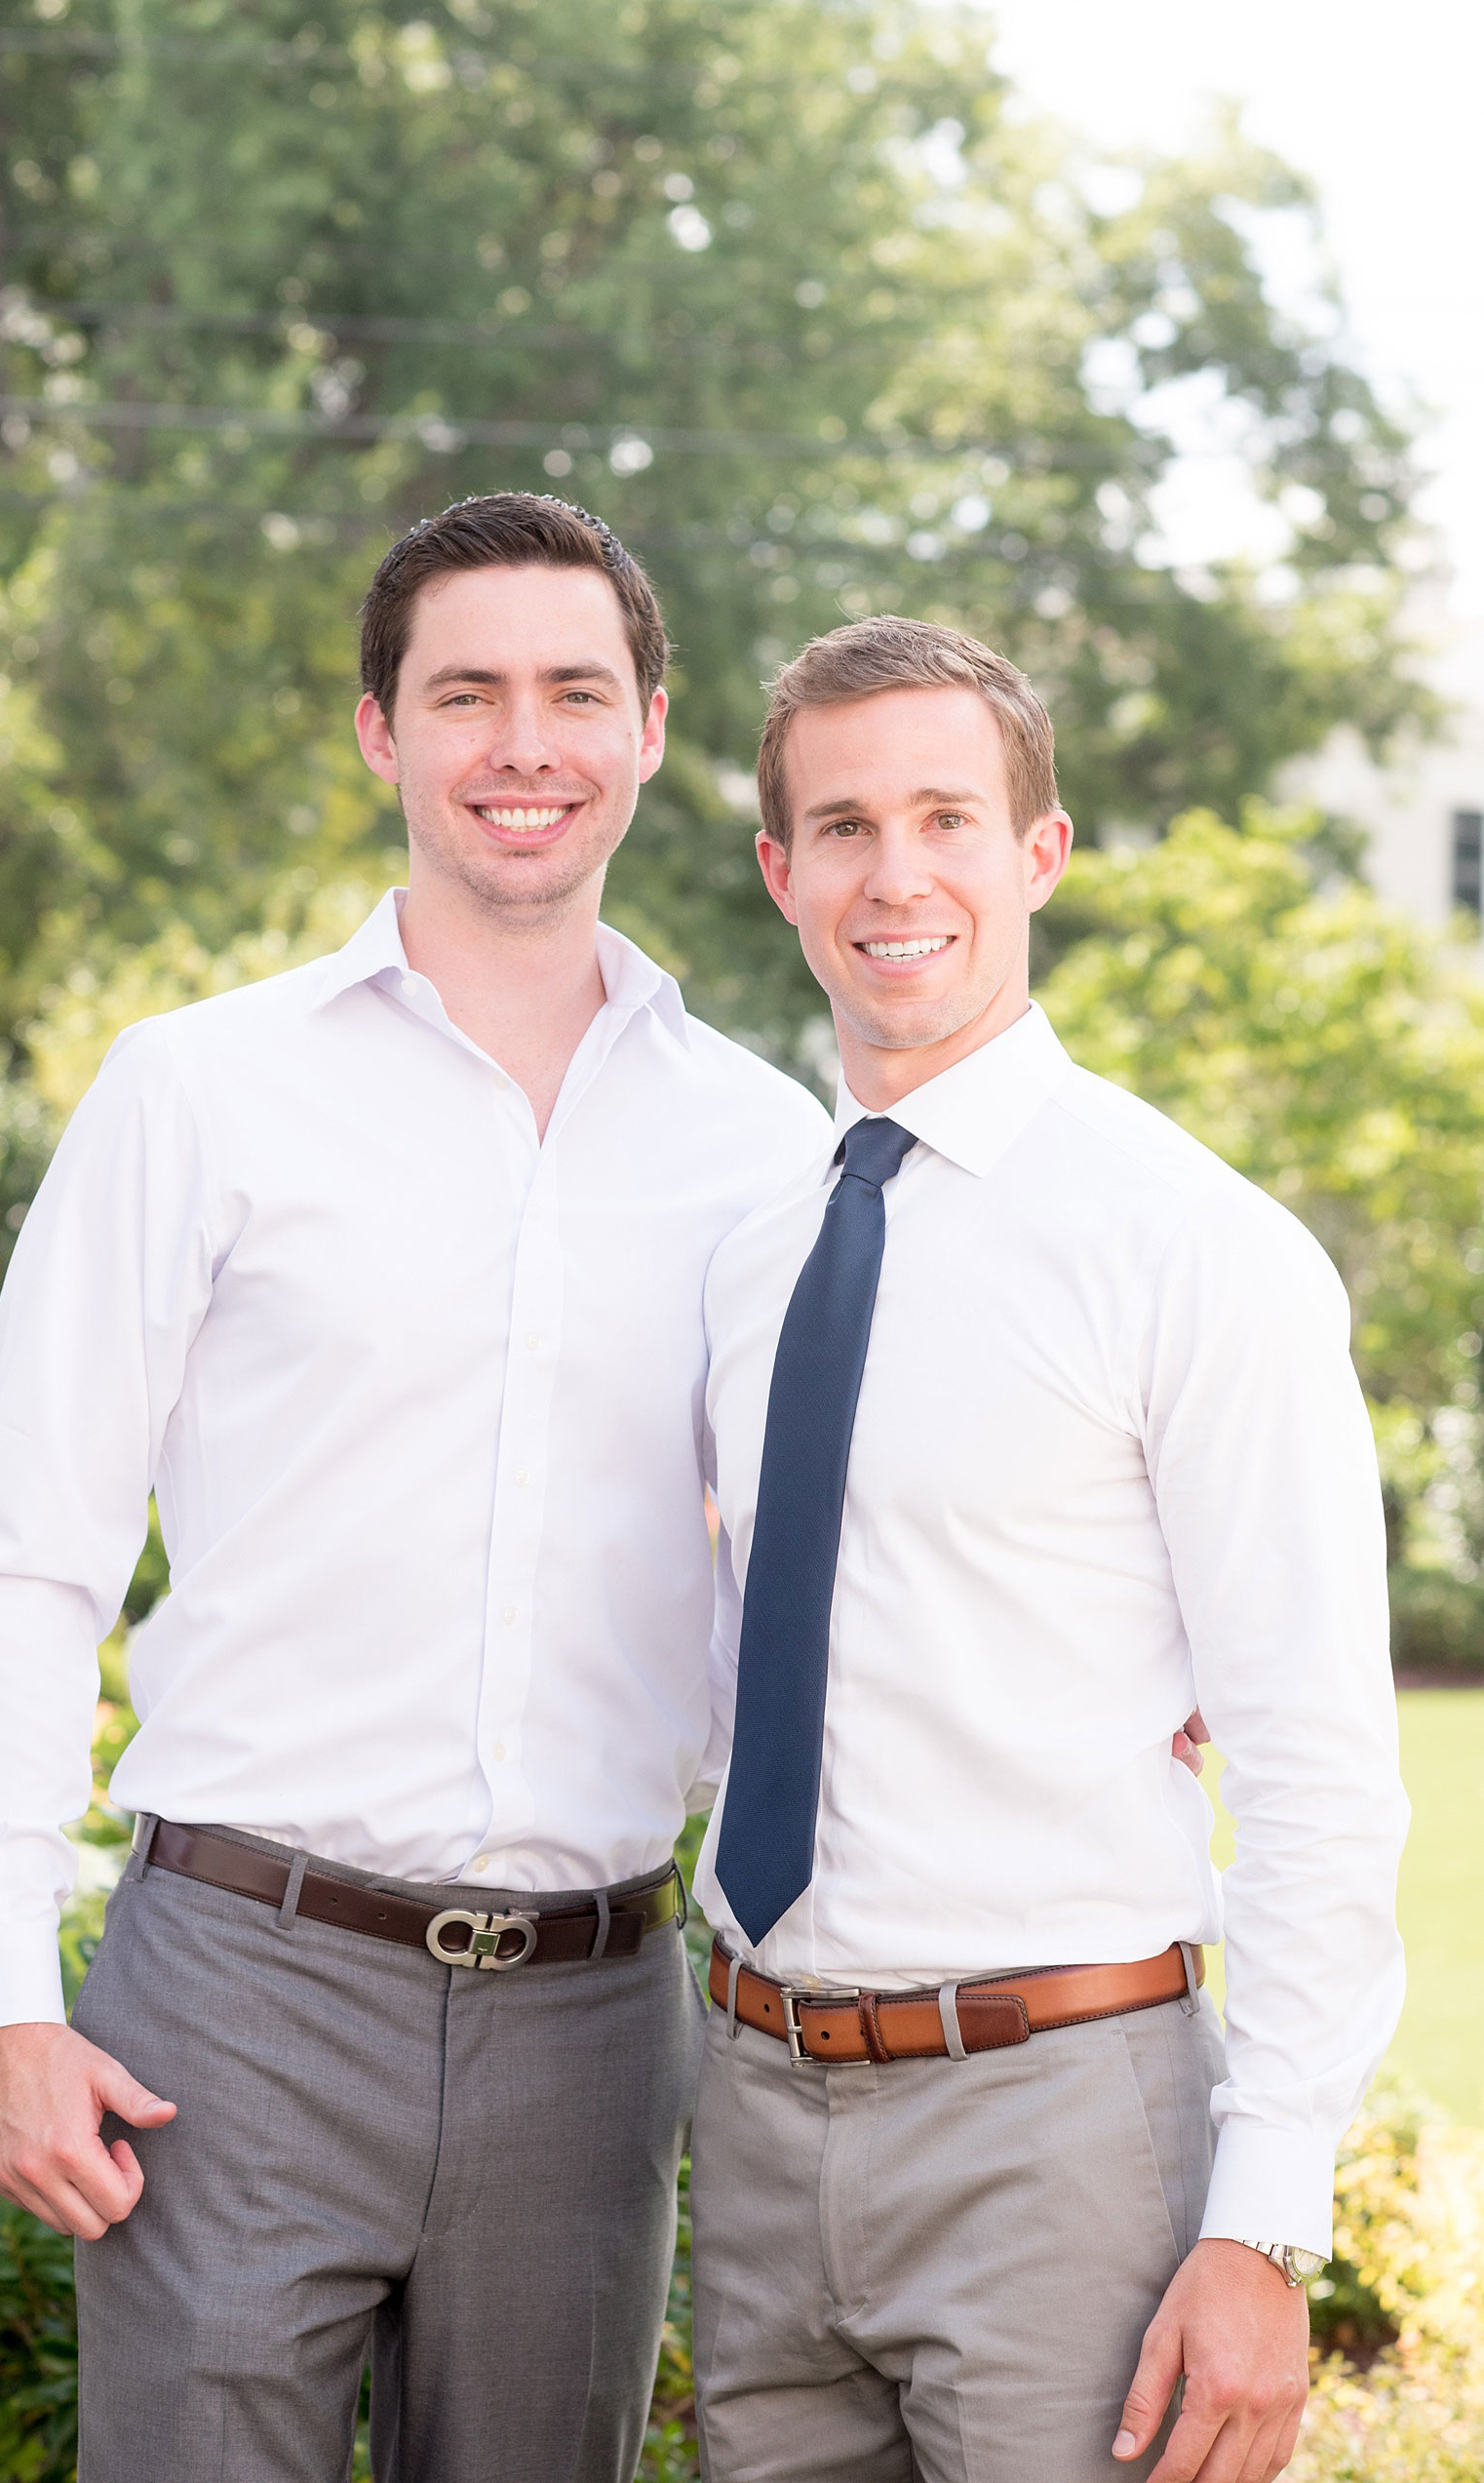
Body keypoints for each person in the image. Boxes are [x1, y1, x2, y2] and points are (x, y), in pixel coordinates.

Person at [0, 493, 832, 2483]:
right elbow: (26, 1556)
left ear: (651, 727)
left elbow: (831, 1557)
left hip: (594, 2015)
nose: (525, 742)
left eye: (575, 691)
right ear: (379, 733)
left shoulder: (767, 1147)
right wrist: (1, 1989)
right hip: (232, 1995)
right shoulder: (200, 1090)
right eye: (466, 692)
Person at [688, 616, 1408, 2483]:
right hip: (760, 2112)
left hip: (1059, 2123)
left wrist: (1263, 2226)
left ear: (1040, 854)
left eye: (946, 814)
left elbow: (1321, 1762)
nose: (895, 871)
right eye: (841, 826)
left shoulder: (1193, 1249)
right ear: (781, 873)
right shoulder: (750, 1252)